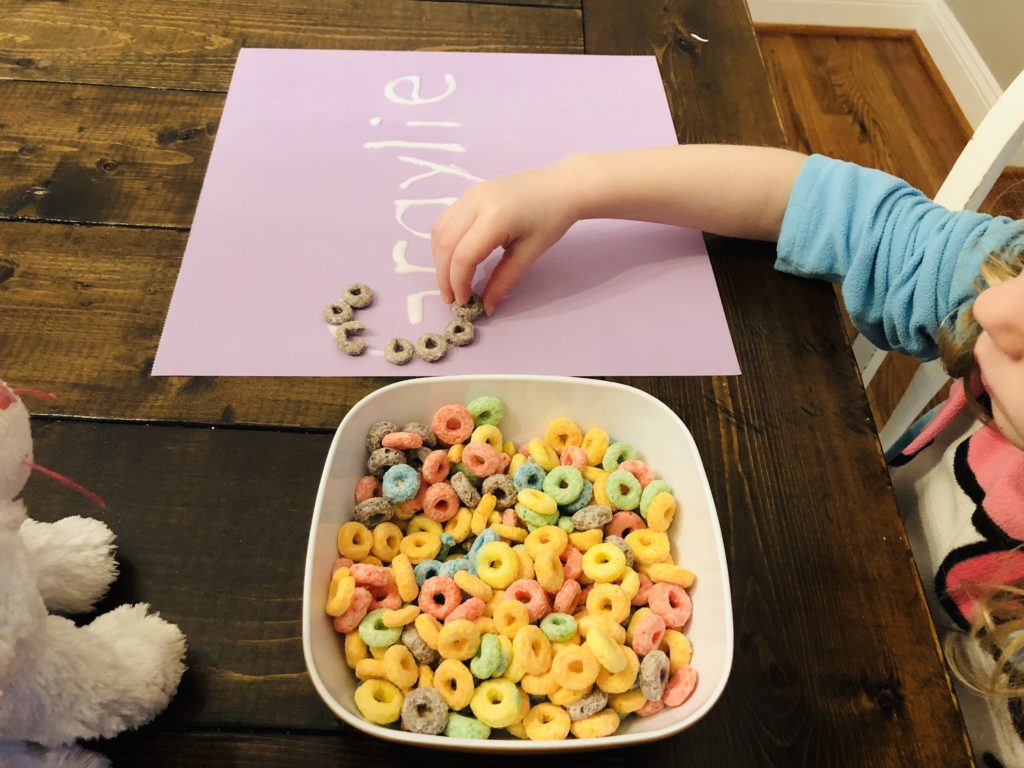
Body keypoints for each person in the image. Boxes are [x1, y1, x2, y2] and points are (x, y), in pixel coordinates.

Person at [430, 145, 1024, 765]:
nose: (994, 307)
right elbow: (833, 208)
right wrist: (570, 185)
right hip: (835, 557)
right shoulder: (1000, 279)